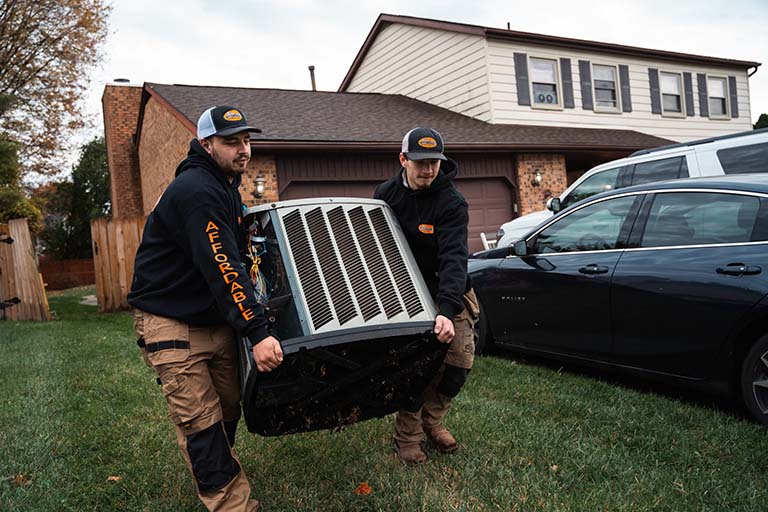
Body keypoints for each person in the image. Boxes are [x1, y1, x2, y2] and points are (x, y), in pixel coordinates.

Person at [128, 105, 283, 511]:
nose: (243, 149)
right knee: (202, 424)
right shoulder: (198, 191)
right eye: (232, 142)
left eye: (247, 140)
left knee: (228, 408)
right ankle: (234, 503)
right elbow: (223, 268)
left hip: (212, 318)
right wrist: (258, 332)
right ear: (206, 144)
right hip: (170, 322)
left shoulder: (223, 187)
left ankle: (216, 467)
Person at [374, 127, 479, 465]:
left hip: (451, 290)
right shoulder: (386, 195)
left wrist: (446, 310)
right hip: (408, 292)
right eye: (420, 162)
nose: (428, 170)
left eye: (434, 162)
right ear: (403, 159)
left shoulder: (451, 201)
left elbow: (453, 258)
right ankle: (407, 436)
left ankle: (431, 420)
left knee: (457, 365)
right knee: (416, 367)